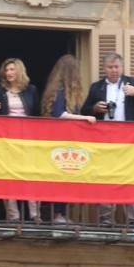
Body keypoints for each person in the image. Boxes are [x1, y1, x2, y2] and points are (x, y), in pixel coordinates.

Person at [81, 52, 134, 226]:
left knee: (130, 178)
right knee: (106, 178)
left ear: (122, 68)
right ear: (104, 69)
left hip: (129, 140)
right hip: (105, 140)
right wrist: (94, 108)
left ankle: (133, 220)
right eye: (110, 67)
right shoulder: (96, 88)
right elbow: (83, 111)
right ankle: (106, 219)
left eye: (116, 67)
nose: (114, 70)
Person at [40, 54, 96, 224]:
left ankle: (60, 214)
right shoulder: (60, 90)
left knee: (64, 177)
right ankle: (57, 214)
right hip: (59, 141)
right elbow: (60, 114)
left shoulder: (59, 90)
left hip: (63, 141)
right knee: (59, 178)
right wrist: (84, 118)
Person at [0, 57, 41, 223]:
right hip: (7, 140)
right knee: (8, 176)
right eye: (6, 70)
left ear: (19, 71)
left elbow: (37, 114)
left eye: (12, 69)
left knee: (30, 175)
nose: (8, 73)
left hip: (27, 139)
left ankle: (35, 214)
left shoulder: (31, 90)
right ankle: (13, 215)